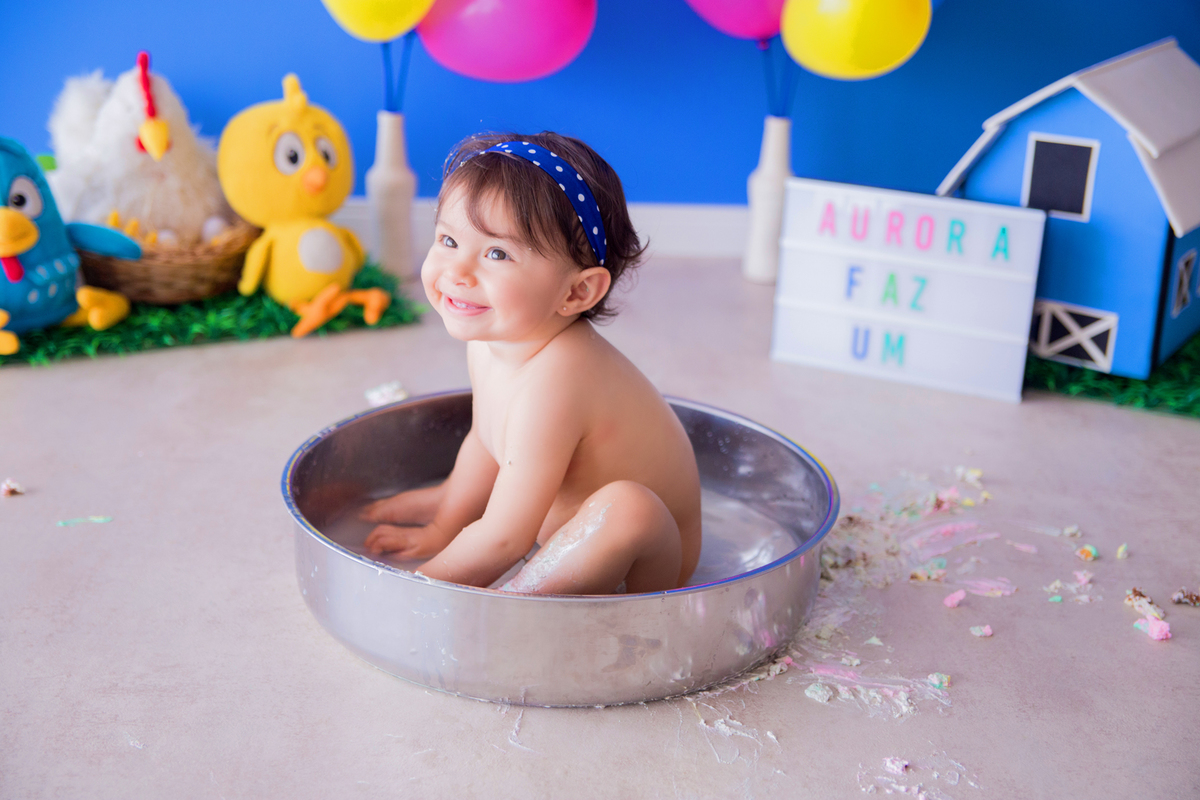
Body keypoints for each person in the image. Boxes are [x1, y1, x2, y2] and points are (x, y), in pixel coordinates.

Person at [361, 132, 701, 595]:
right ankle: (510, 572)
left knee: (627, 508)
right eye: (448, 239)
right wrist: (446, 521)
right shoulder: (491, 339)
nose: (458, 272)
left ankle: (515, 602)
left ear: (576, 292)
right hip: (555, 536)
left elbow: (505, 538)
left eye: (497, 253)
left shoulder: (560, 378)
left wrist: (413, 593)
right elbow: (488, 437)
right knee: (505, 506)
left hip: (644, 564)